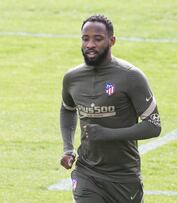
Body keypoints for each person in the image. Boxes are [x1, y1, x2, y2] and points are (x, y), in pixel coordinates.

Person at [59, 14, 161, 203]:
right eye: (85, 38)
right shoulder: (72, 78)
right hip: (87, 172)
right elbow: (67, 109)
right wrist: (68, 149)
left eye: (97, 39)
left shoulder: (131, 76)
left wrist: (106, 133)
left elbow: (153, 126)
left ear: (112, 41)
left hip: (124, 177)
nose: (90, 44)